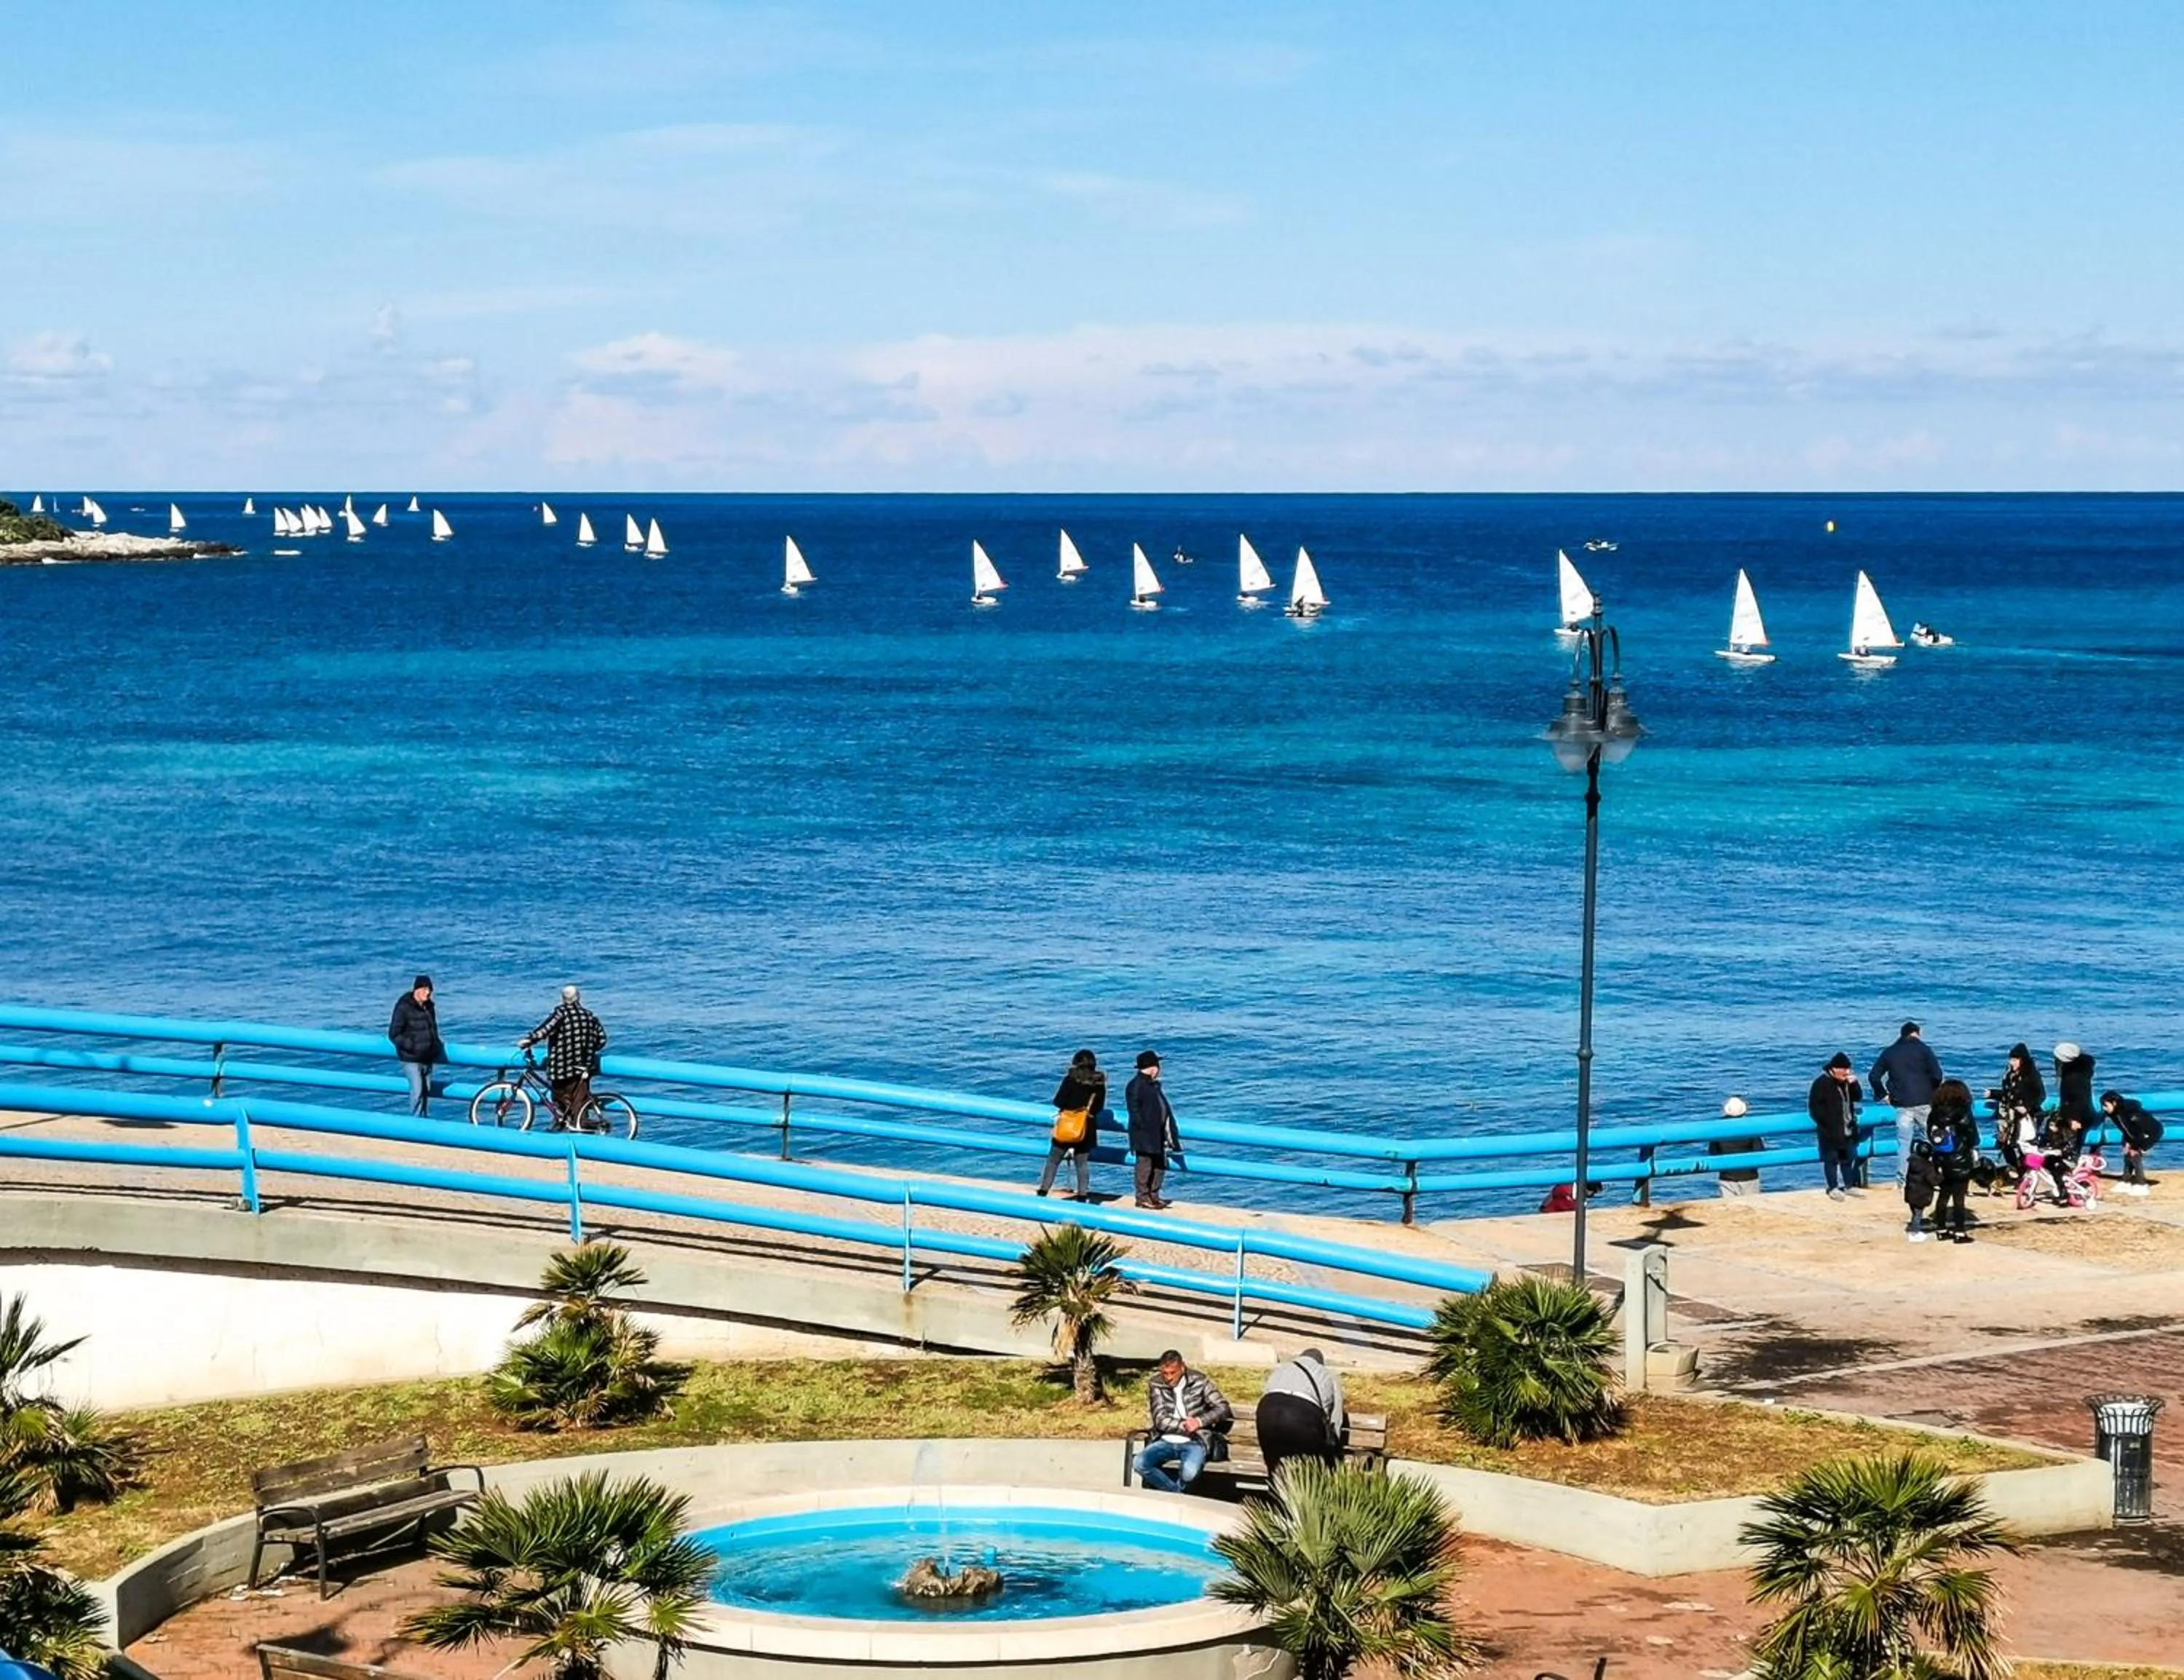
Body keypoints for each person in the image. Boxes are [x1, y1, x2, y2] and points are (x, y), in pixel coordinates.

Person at [1136, 1350, 1232, 1494]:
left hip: (1195, 1441)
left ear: (1183, 1368)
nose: (1168, 1378)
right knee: (1140, 1463)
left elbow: (1223, 1408)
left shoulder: (1200, 1381)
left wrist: (1199, 1422)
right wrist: (1184, 1426)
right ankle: (1178, 1494)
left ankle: (1176, 1495)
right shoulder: (1157, 1384)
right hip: (1165, 1440)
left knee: (1190, 1473)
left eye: (1172, 1373)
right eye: (1165, 1373)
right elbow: (1160, 1419)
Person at [520, 985, 607, 1130]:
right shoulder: (590, 1016)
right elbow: (602, 1040)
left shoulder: (560, 1013)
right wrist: (588, 1050)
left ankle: (566, 1126)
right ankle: (580, 1129)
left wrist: (529, 1040)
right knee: (579, 1105)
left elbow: (545, 1030)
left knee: (560, 1099)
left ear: (563, 999)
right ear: (579, 997)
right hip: (583, 1067)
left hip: (562, 1067)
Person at [1256, 1347, 1345, 1484]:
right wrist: (1334, 1449)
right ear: (1320, 1363)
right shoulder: (1327, 1374)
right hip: (1302, 1413)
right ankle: (1303, 1496)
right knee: (1308, 1466)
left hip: (1267, 1409)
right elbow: (1336, 1419)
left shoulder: (1281, 1369)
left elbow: (1265, 1394)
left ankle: (1275, 1495)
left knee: (1273, 1461)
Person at [1870, 1022, 1944, 1186]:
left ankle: (1902, 1181)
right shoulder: (1925, 1050)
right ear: (1916, 1033)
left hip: (1902, 1104)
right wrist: (1932, 1092)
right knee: (1932, 1141)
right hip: (1925, 1102)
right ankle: (1932, 1178)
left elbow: (1874, 1076)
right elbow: (1938, 1075)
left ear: (1902, 1034)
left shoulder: (1890, 1052)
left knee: (1904, 1144)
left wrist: (1883, 1095)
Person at [1037, 1050, 1106, 1201]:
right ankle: (1082, 1195)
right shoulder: (1099, 1083)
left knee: (1053, 1160)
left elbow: (1058, 1101)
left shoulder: (1070, 1079)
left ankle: (1043, 1191)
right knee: (1081, 1163)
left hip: (1067, 1125)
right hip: (1085, 1127)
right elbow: (1098, 1108)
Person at [1126, 1050, 1181, 1211]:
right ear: (1152, 1067)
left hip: (1156, 1133)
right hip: (1144, 1134)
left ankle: (1154, 1195)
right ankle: (1143, 1197)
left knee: (1159, 1165)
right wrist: (1144, 1128)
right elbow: (1134, 1112)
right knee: (1145, 1166)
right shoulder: (1136, 1086)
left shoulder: (1151, 1085)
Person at [1926, 1080, 1979, 1243]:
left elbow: (1930, 1135)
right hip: (1960, 1159)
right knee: (1959, 1198)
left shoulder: (1934, 1113)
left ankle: (1941, 1229)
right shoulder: (1963, 1112)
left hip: (1941, 1159)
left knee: (1943, 1194)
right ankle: (1960, 1232)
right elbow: (1973, 1136)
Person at [386, 975, 445, 1117]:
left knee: (426, 1090)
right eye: (425, 989)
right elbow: (394, 1033)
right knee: (417, 1091)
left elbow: (432, 1028)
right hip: (411, 1058)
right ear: (417, 990)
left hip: (427, 1057)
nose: (428, 993)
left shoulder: (429, 1007)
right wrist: (411, 1045)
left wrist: (436, 1044)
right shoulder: (403, 1007)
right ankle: (415, 1124)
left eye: (429, 989)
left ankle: (423, 1120)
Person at [1808, 1053, 1864, 1199]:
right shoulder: (1821, 1083)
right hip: (1830, 1130)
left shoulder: (1846, 1083)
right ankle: (1832, 1187)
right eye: (1843, 1069)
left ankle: (1849, 1185)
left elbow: (1858, 1097)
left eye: (1848, 1069)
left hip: (1847, 1128)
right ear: (1833, 1069)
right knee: (1831, 1159)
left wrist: (1854, 1084)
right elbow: (1814, 1108)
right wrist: (1827, 1123)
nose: (1846, 1072)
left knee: (1847, 1159)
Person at [1987, 1043, 2046, 1171]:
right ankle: (2017, 1169)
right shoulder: (2009, 1075)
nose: (2012, 1063)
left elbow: (2041, 1095)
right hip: (2009, 1117)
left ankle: (2027, 1170)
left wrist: (2027, 1107)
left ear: (2022, 1060)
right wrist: (1993, 1094)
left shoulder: (2032, 1075)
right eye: (2011, 1060)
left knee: (2024, 1145)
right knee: (2005, 1144)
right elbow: (2008, 1094)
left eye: (2015, 1060)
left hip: (2025, 1117)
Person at [2102, 1090, 2164, 1196]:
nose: (2104, 1108)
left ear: (2114, 1103)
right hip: (2135, 1133)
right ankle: (2126, 1180)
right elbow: (2126, 1129)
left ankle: (2141, 1184)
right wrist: (2126, 1142)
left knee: (2135, 1155)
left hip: (2150, 1133)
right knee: (2127, 1154)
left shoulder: (2129, 1114)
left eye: (2106, 1105)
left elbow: (2138, 1133)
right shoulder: (2115, 1113)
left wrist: (2135, 1147)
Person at [1711, 1095, 1765, 1197]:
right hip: (1749, 1175)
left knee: (1730, 1207)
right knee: (1752, 1205)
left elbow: (1713, 1152)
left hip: (1726, 1175)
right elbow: (1759, 1151)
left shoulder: (1718, 1128)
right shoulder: (1751, 1128)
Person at [1903, 1136, 1939, 1243]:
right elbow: (1933, 1180)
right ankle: (1914, 1233)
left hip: (1911, 1193)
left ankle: (1915, 1228)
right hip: (1921, 1195)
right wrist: (1941, 1176)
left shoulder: (1912, 1163)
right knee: (1918, 1214)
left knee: (1915, 1212)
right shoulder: (1928, 1167)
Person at [1538, 1180, 1602, 1213]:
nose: (1593, 1195)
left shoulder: (1568, 1185)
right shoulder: (1567, 1193)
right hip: (1550, 1213)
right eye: (1594, 1192)